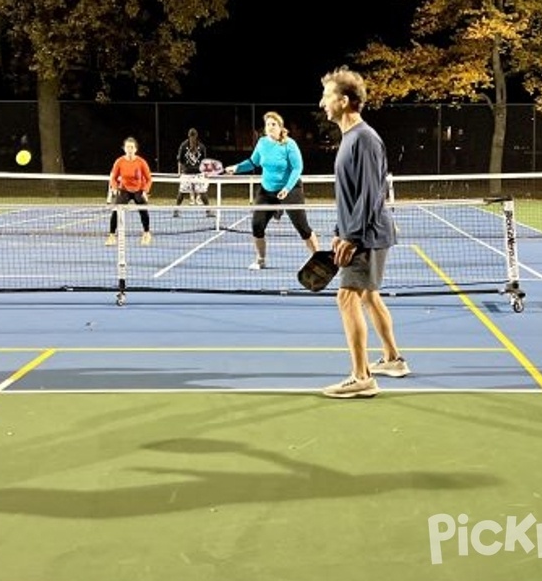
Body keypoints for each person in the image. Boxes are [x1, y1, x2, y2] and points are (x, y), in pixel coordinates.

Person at [318, 66, 410, 399]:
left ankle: (361, 377)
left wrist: (352, 236)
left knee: (347, 297)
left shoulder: (365, 138)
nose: (322, 103)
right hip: (359, 231)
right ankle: (393, 359)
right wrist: (338, 230)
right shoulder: (350, 139)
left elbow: (371, 193)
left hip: (366, 235)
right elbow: (351, 193)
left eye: (327, 96)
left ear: (344, 101)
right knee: (368, 295)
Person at [225, 111, 320, 269]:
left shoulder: (289, 144)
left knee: (302, 227)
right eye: (267, 124)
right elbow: (253, 162)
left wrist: (287, 188)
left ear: (280, 127)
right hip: (267, 191)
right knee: (257, 225)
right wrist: (236, 168)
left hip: (290, 189)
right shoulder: (262, 143)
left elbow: (297, 168)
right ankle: (260, 259)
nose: (270, 127)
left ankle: (318, 258)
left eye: (273, 124)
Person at [107, 136, 153, 246]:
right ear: (124, 149)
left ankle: (146, 234)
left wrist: (145, 191)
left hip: (139, 190)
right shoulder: (119, 161)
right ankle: (112, 236)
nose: (130, 149)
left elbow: (149, 179)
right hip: (124, 190)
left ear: (135, 149)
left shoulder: (141, 162)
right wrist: (114, 188)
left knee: (144, 212)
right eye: (128, 147)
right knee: (116, 211)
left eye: (132, 147)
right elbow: (113, 177)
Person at [174, 128, 210, 216]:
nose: (192, 138)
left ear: (196, 137)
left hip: (198, 173)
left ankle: (208, 211)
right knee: (181, 192)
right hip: (186, 174)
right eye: (191, 136)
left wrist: (206, 173)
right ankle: (176, 210)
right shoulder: (183, 146)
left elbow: (204, 161)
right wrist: (179, 172)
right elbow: (180, 160)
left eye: (194, 136)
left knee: (203, 192)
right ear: (189, 136)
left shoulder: (201, 147)